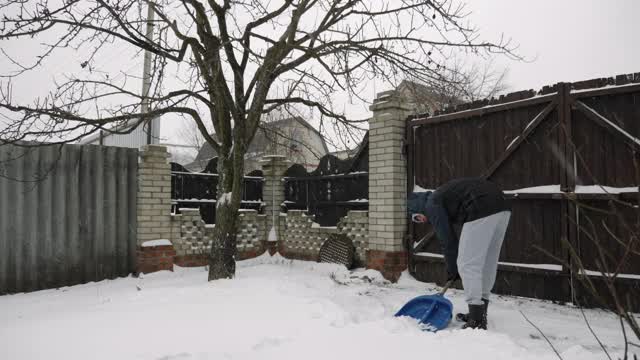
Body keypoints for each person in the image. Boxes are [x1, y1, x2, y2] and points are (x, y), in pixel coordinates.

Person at [407, 178, 511, 330]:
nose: (422, 220)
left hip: (480, 206)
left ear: (418, 207)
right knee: (487, 262)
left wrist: (452, 269)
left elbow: (448, 239)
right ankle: (479, 314)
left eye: (418, 217)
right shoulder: (440, 197)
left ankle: (477, 320)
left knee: (467, 264)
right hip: (502, 205)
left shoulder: (432, 203)